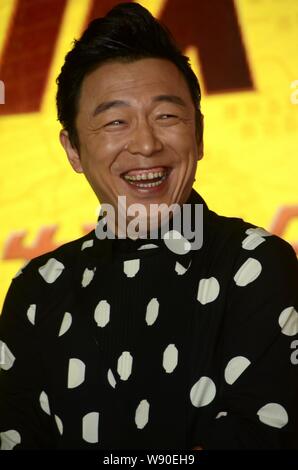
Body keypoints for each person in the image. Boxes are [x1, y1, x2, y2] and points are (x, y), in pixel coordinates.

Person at [0, 2, 297, 450]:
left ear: (198, 134)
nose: (145, 143)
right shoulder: (38, 290)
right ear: (73, 149)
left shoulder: (256, 265)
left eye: (166, 116)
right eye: (116, 121)